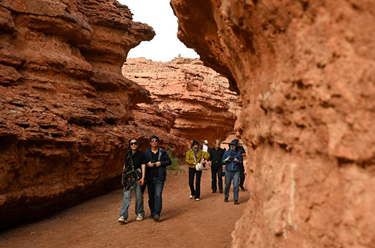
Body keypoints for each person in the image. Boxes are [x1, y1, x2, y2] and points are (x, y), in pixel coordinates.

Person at [118, 138, 147, 224]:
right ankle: (123, 216)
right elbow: (125, 166)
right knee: (126, 197)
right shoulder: (127, 154)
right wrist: (123, 177)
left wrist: (143, 177)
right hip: (128, 178)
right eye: (131, 143)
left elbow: (143, 166)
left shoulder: (141, 154)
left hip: (137, 177)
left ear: (137, 144)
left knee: (138, 197)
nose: (133, 145)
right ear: (129, 145)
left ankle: (140, 213)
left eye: (135, 143)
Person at [144, 135, 171, 222]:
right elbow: (142, 164)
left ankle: (157, 214)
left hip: (160, 177)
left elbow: (169, 161)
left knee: (158, 194)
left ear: (158, 142)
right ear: (150, 143)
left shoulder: (162, 152)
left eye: (155, 140)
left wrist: (161, 163)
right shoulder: (146, 153)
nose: (154, 142)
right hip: (150, 177)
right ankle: (152, 212)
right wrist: (148, 164)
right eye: (152, 141)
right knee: (151, 196)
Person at [222, 139, 243, 205]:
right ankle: (226, 196)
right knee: (227, 185)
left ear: (236, 147)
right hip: (228, 171)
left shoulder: (238, 154)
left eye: (234, 146)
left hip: (236, 171)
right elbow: (222, 161)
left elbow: (241, 163)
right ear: (230, 146)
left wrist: (237, 161)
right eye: (231, 146)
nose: (232, 147)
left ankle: (236, 199)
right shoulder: (226, 153)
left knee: (236, 185)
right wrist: (225, 160)